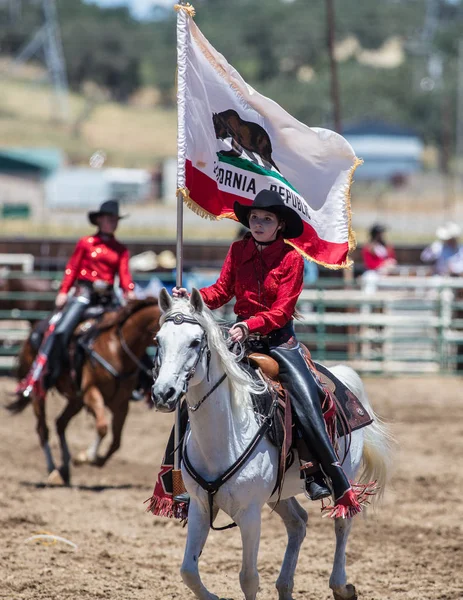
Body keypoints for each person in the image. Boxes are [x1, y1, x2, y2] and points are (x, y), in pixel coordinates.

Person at [173, 189, 364, 517]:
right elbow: (221, 291)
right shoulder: (238, 249)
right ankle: (177, 484)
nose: (258, 223)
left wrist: (250, 324)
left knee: (307, 398)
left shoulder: (292, 258)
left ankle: (321, 474)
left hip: (279, 343)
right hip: (240, 341)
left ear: (279, 225)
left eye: (266, 219)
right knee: (190, 394)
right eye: (254, 218)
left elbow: (283, 309)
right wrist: (193, 297)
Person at [44, 199, 136, 389]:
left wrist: (129, 291)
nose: (113, 222)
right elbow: (72, 268)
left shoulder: (121, 250)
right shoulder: (86, 243)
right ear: (100, 220)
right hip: (85, 295)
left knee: (132, 331)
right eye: (109, 218)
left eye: (115, 219)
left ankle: (137, 381)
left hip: (108, 298)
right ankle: (55, 371)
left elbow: (125, 274)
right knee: (61, 330)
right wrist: (63, 292)